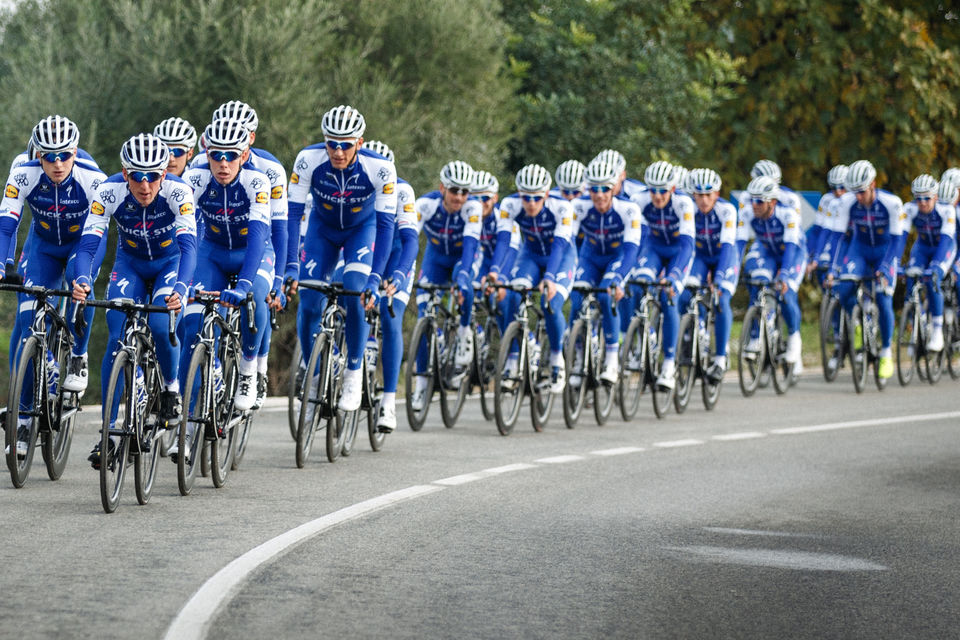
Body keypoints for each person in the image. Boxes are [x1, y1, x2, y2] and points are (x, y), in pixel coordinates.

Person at [73, 133, 197, 468]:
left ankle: (170, 389)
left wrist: (181, 288)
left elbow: (189, 248)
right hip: (130, 264)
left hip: (170, 263)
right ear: (125, 173)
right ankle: (108, 433)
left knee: (160, 323)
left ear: (164, 174)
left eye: (153, 176)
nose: (145, 185)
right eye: (137, 177)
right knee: (116, 336)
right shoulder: (108, 191)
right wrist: (83, 278)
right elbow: (88, 245)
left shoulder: (179, 192)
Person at [285, 105, 397, 412]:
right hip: (322, 230)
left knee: (354, 290)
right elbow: (293, 215)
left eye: (345, 145)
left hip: (362, 230)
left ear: (359, 143)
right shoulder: (308, 159)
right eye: (331, 143)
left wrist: (375, 278)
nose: (337, 151)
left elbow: (386, 226)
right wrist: (291, 265)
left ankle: (353, 373)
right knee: (309, 302)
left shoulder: (380, 168)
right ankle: (315, 373)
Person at [0, 115, 107, 397]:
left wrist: (83, 276)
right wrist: (3, 263)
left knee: (79, 284)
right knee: (27, 316)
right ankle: (39, 373)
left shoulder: (92, 177)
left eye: (64, 155)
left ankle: (78, 357)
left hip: (82, 242)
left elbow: (98, 232)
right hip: (44, 244)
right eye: (48, 156)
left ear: (74, 152)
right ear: (38, 154)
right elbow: (7, 225)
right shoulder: (23, 171)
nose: (57, 164)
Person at [179, 117, 276, 414]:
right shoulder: (194, 178)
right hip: (212, 252)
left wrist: (243, 285)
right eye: (216, 155)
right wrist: (183, 281)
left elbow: (258, 238)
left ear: (244, 155)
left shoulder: (257, 182)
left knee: (255, 297)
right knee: (193, 323)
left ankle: (247, 370)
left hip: (252, 252)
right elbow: (187, 231)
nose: (223, 163)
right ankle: (209, 378)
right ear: (206, 154)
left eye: (231, 155)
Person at [212, 100, 288, 408]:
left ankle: (255, 367)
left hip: (257, 247)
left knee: (257, 295)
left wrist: (280, 278)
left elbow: (280, 228)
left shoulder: (270, 170)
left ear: (250, 138)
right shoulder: (205, 167)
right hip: (217, 249)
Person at [486, 164, 576, 393]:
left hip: (561, 257)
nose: (531, 203)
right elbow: (503, 240)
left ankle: (557, 358)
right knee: (512, 296)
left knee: (550, 303)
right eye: (526, 197)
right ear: (519, 193)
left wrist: (550, 278)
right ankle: (514, 358)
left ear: (546, 194)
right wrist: (495, 272)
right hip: (531, 256)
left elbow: (559, 246)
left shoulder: (562, 207)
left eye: (537, 197)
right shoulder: (510, 204)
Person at [408, 160, 483, 409]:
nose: (459, 197)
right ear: (442, 188)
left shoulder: (473, 208)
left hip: (464, 258)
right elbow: (410, 239)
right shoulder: (425, 205)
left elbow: (471, 245)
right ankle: (421, 385)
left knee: (465, 284)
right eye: (454, 190)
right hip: (436, 259)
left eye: (464, 191)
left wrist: (462, 278)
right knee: (424, 313)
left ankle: (463, 333)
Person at [826, 160, 905, 379]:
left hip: (884, 252)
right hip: (859, 250)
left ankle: (886, 352)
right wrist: (833, 269)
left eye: (862, 191)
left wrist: (886, 267)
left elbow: (898, 241)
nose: (858, 197)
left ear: (873, 185)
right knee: (844, 288)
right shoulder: (847, 202)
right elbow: (838, 237)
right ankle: (857, 323)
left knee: (883, 299)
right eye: (855, 192)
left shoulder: (891, 203)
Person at [360, 139, 417, 433]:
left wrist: (399, 275)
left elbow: (410, 241)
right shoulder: (357, 188)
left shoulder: (403, 191)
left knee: (390, 317)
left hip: (397, 259)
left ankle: (389, 401)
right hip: (367, 255)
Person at [568, 157, 641, 384]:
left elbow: (631, 250)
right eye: (594, 189)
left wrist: (619, 279)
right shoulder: (578, 206)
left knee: (606, 295)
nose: (599, 195)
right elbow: (568, 242)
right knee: (577, 296)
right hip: (590, 258)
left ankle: (611, 359)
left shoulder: (628, 209)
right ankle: (578, 356)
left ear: (613, 189)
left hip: (616, 258)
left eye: (605, 189)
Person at [629, 160, 696, 389]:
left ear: (673, 189)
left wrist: (674, 276)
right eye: (653, 190)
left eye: (663, 191)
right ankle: (643, 337)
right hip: (654, 249)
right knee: (638, 285)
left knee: (669, 297)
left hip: (678, 252)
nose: (657, 196)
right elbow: (637, 239)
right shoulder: (638, 200)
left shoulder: (684, 204)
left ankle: (668, 363)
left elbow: (687, 246)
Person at [738, 175, 805, 370]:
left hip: (793, 254)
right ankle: (756, 334)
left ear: (772, 202)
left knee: (786, 293)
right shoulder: (748, 214)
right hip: (768, 252)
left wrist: (784, 275)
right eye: (752, 200)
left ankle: (794, 339)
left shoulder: (787, 215)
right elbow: (739, 244)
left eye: (760, 201)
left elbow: (791, 248)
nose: (755, 205)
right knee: (757, 282)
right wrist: (733, 270)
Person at [679, 168, 739, 383]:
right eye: (699, 195)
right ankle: (694, 335)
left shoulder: (727, 210)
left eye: (708, 194)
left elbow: (728, 247)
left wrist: (719, 278)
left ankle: (721, 358)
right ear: (693, 195)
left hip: (725, 257)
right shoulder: (688, 209)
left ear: (717, 194)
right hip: (700, 258)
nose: (703, 200)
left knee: (721, 299)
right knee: (686, 295)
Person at [902, 174, 956, 351]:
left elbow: (946, 240)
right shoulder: (910, 208)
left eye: (927, 198)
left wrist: (935, 266)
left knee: (933, 280)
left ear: (936, 197)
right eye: (918, 198)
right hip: (922, 248)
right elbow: (900, 238)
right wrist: (893, 264)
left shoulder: (947, 210)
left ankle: (937, 331)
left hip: (944, 248)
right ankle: (917, 328)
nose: (922, 202)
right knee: (910, 279)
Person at [807, 164, 848, 276]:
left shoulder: (855, 199)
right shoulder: (827, 200)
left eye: (842, 187)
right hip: (833, 238)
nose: (838, 191)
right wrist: (813, 256)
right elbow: (819, 231)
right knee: (823, 263)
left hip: (851, 240)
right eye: (834, 187)